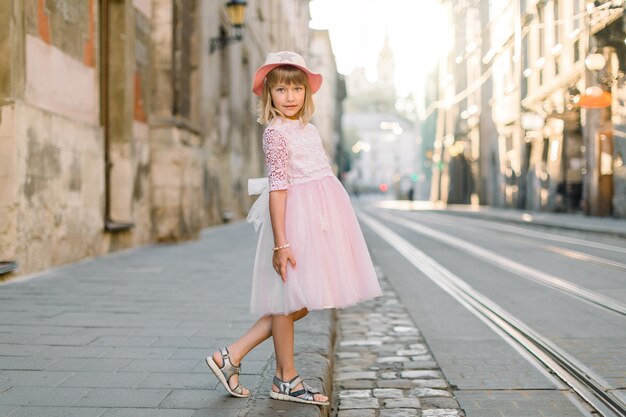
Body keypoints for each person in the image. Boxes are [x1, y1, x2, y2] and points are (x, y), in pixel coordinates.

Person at [206, 51, 382, 406]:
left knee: (300, 300)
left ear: (307, 93)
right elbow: (279, 189)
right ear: (269, 94)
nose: (289, 97)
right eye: (281, 89)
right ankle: (284, 377)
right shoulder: (275, 134)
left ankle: (234, 356)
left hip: (318, 222)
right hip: (293, 223)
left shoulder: (308, 129)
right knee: (289, 300)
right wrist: (281, 243)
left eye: (296, 89)